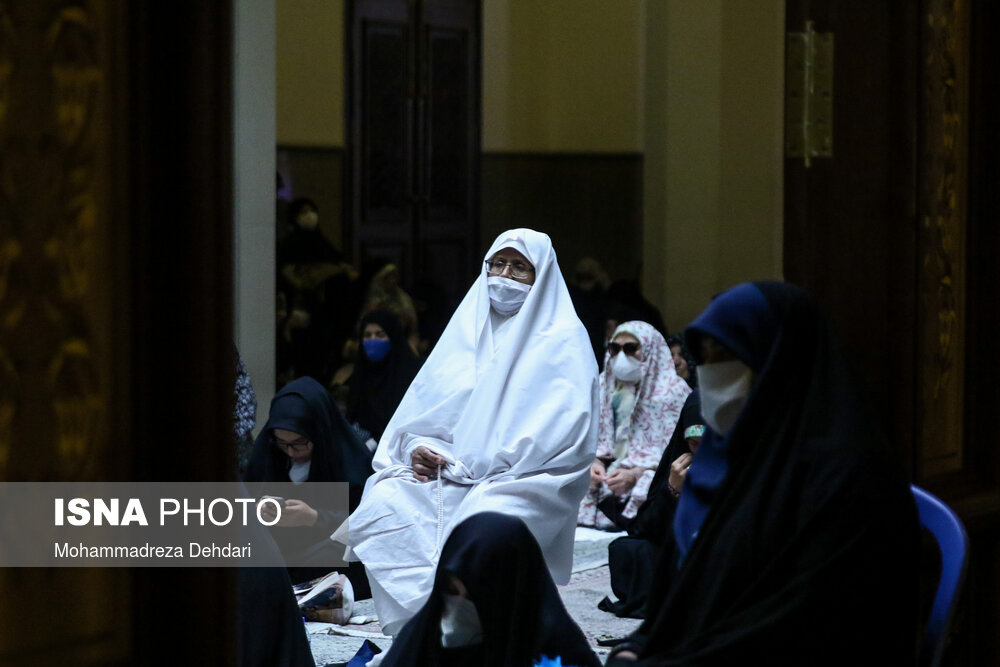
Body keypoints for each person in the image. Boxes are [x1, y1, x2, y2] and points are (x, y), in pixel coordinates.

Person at [606, 282, 920, 665]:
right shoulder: (728, 454)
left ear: (781, 360)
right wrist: (638, 646)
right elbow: (686, 592)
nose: (713, 377)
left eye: (726, 356)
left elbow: (799, 626)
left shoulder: (847, 478)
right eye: (704, 359)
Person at [339, 228, 599, 636]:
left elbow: (567, 437)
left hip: (527, 479)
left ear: (541, 275)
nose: (504, 274)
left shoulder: (564, 340)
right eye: (497, 264)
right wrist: (421, 449)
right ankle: (414, 632)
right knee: (386, 496)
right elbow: (426, 418)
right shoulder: (467, 331)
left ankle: (471, 637)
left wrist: (484, 465)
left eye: (518, 267)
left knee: (482, 523)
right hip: (455, 470)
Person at [379, 512, 601, 667]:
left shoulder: (557, 656)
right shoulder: (421, 640)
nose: (455, 610)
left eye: (475, 597)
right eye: (451, 592)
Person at [245, 377, 374, 592]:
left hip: (331, 565)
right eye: (283, 443)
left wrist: (314, 518)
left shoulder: (352, 462)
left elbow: (367, 527)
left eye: (299, 443)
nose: (291, 452)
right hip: (279, 562)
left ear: (319, 432)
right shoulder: (269, 456)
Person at [598, 390, 703, 619]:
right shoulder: (680, 462)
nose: (702, 452)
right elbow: (647, 529)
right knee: (628, 549)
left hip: (724, 553)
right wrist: (673, 491)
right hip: (681, 552)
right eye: (695, 444)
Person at [578, 321, 691, 531]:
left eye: (631, 348)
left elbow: (678, 455)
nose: (622, 356)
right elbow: (587, 440)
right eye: (615, 349)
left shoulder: (674, 391)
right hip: (608, 476)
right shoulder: (602, 386)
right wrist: (595, 462)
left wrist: (636, 473)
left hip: (651, 475)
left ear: (649, 348)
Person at [346, 309, 423, 443]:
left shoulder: (411, 374)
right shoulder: (361, 373)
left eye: (380, 335)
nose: (373, 340)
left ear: (393, 337)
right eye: (367, 335)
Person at [362, 262, 420, 354]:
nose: (392, 281)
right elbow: (363, 324)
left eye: (394, 277)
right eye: (388, 278)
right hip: (377, 341)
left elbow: (412, 322)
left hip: (400, 340)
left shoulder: (403, 298)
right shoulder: (374, 299)